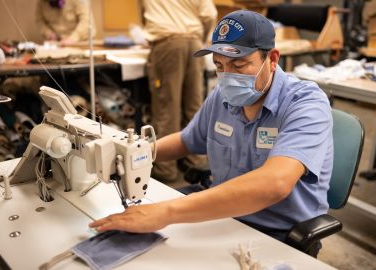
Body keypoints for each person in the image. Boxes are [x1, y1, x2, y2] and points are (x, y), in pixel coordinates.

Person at [90, 10, 333, 242]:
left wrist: (166, 212)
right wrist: (132, 151)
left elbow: (275, 183)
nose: (228, 76)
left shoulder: (306, 104)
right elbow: (186, 141)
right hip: (223, 217)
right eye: (219, 65)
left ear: (271, 59)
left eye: (239, 66)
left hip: (277, 233)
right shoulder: (223, 97)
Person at [142, 0, 217, 181]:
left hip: (168, 43)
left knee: (167, 109)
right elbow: (210, 15)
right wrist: (204, 37)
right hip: (195, 44)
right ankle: (197, 164)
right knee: (195, 107)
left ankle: (165, 170)